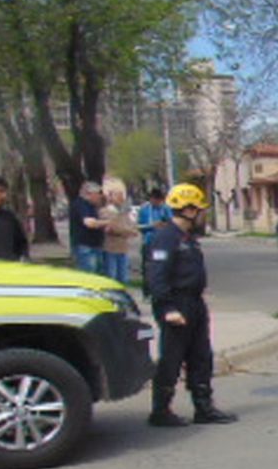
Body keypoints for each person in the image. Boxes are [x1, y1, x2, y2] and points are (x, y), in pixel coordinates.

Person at [146, 183, 237, 427]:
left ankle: (204, 407)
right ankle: (161, 410)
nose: (201, 214)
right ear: (187, 210)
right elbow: (157, 277)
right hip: (177, 303)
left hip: (194, 303)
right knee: (172, 359)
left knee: (201, 357)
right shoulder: (165, 238)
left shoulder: (187, 237)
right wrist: (167, 309)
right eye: (198, 209)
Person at [99, 183, 139, 284]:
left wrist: (128, 230)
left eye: (122, 195)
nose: (121, 198)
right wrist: (127, 231)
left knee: (123, 277)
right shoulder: (105, 211)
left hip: (123, 248)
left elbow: (132, 226)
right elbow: (112, 228)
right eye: (118, 195)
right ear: (110, 197)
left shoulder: (125, 212)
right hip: (110, 248)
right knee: (111, 277)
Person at [137, 187, 172, 296]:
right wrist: (151, 226)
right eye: (155, 200)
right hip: (149, 242)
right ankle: (147, 291)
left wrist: (164, 224)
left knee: (162, 266)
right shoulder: (144, 210)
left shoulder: (166, 209)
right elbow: (139, 226)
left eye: (159, 200)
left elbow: (172, 223)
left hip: (162, 243)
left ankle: (162, 289)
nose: (157, 203)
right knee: (147, 267)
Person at [69, 181, 108, 276]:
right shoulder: (81, 205)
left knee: (98, 272)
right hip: (85, 245)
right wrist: (108, 222)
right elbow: (89, 223)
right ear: (89, 193)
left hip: (95, 244)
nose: (100, 196)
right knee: (89, 273)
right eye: (98, 194)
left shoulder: (92, 206)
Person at [0, 173, 30, 262]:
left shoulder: (9, 218)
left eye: (5, 192)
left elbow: (21, 245)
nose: (4, 196)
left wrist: (23, 258)